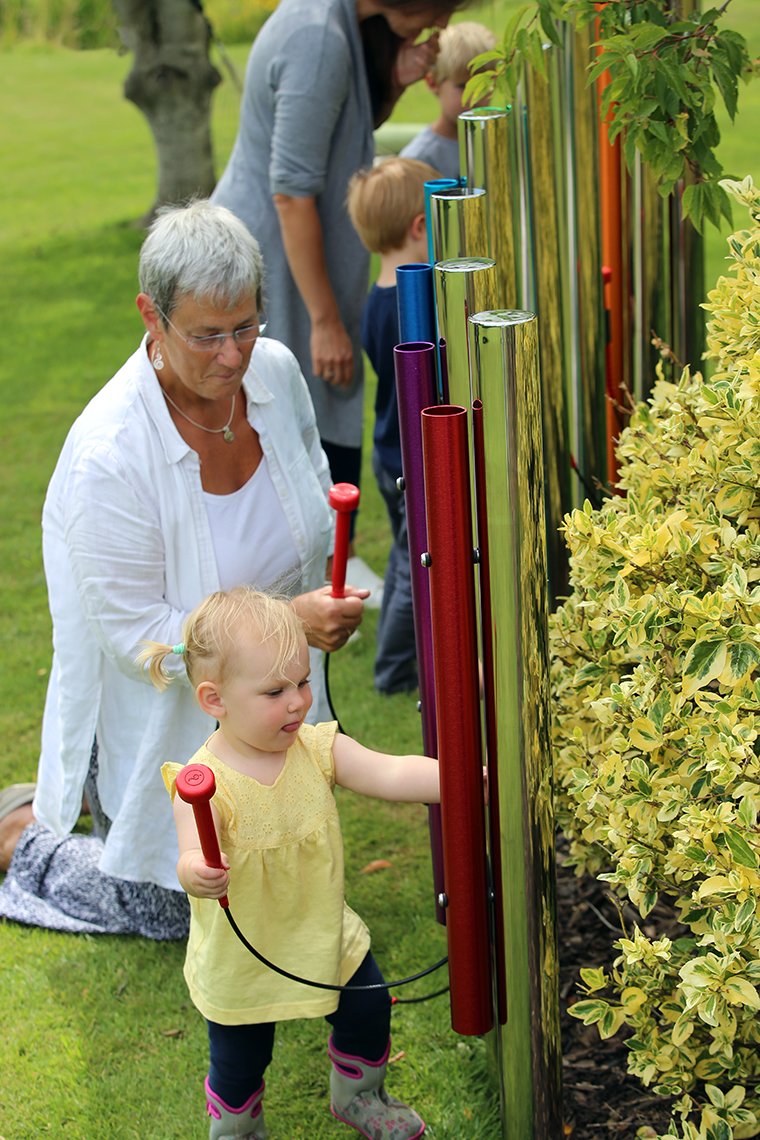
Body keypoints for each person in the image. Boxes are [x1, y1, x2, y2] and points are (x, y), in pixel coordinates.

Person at [0, 200, 367, 940]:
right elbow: (140, 647)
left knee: (280, 887)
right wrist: (283, 625)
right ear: (151, 316)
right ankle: (21, 835)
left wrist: (322, 603)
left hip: (268, 716)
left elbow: (311, 492)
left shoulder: (276, 370)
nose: (233, 356)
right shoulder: (110, 456)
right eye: (206, 336)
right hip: (159, 731)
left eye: (246, 325)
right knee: (181, 913)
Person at [146, 586, 440, 1140]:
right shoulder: (206, 784)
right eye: (275, 691)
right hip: (243, 953)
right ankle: (236, 1128)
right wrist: (196, 873)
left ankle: (358, 1097)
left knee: (370, 1010)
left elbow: (392, 772)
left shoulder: (314, 748)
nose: (298, 702)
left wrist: (464, 781)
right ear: (215, 700)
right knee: (240, 1059)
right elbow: (188, 852)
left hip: (322, 932)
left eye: (303, 682)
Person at [211, 0, 474, 584]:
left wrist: (397, 80)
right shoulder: (319, 40)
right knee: (307, 395)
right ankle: (325, 565)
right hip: (269, 263)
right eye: (439, 10)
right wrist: (325, 319)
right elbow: (290, 192)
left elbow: (338, 133)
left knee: (318, 395)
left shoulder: (338, 24)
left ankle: (330, 558)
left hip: (291, 263)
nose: (438, 27)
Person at [347, 157, 438, 694]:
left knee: (408, 555)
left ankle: (400, 660)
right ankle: (394, 669)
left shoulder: (377, 298)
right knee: (412, 563)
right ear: (420, 227)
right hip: (407, 457)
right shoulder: (409, 306)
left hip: (391, 453)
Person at [400, 21, 496, 181]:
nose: (474, 98)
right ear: (432, 82)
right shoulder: (418, 160)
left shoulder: (498, 143)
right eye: (462, 86)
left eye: (483, 86)